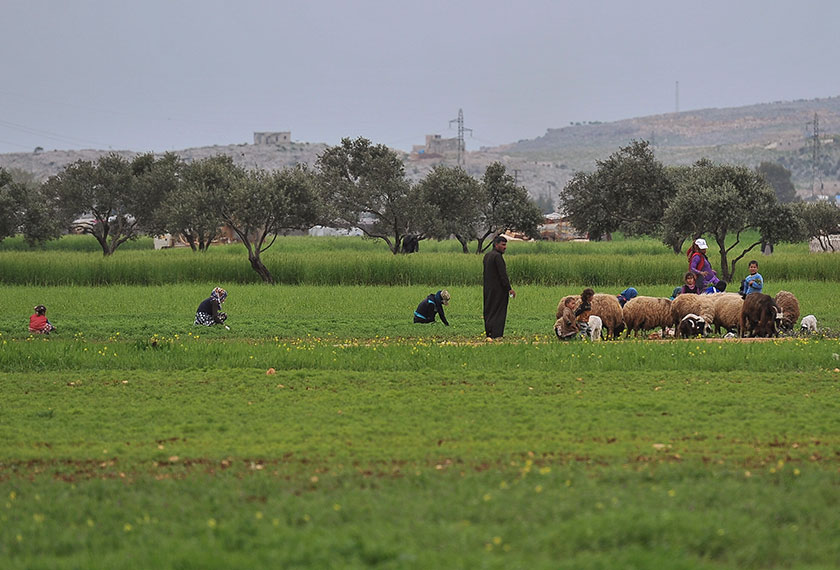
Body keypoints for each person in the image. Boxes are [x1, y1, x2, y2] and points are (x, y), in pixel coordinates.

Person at [483, 235, 515, 340]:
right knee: (499, 312)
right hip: (499, 290)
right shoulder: (497, 257)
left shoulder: (487, 256)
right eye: (503, 245)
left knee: (489, 310)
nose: (505, 247)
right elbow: (503, 275)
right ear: (496, 245)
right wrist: (509, 289)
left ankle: (489, 333)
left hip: (488, 289)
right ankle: (497, 334)